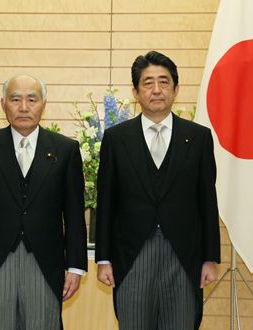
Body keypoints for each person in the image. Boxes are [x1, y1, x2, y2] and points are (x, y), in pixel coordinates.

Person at [95, 51, 221, 329]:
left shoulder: (198, 137)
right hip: (131, 255)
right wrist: (103, 258)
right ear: (136, 92)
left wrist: (210, 258)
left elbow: (207, 200)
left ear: (176, 89)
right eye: (147, 82)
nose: (156, 90)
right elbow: (106, 202)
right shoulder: (116, 139)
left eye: (164, 82)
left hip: (184, 256)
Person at [0, 74, 88, 329]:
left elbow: (74, 213)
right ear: (3, 104)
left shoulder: (65, 150)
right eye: (15, 99)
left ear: (44, 105)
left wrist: (76, 266)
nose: (23, 107)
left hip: (45, 261)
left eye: (32, 99)